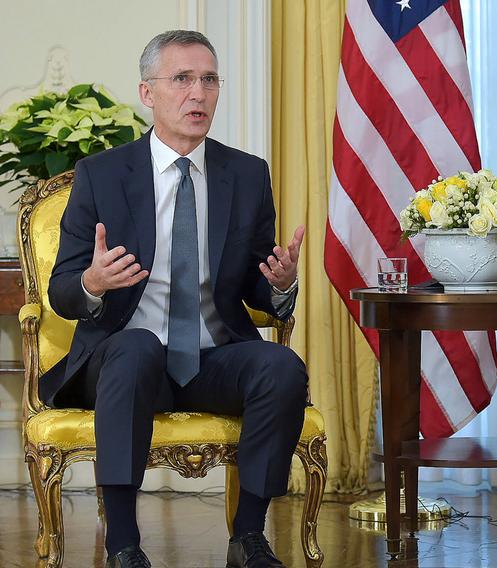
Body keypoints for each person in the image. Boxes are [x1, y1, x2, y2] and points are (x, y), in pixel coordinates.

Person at [44, 30, 308, 568]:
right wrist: (93, 282)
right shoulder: (103, 175)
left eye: (209, 80)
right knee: (138, 345)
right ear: (148, 93)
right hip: (124, 360)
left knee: (281, 366)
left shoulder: (247, 174)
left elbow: (254, 284)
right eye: (182, 79)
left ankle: (249, 537)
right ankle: (123, 543)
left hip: (212, 353)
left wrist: (279, 284)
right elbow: (62, 289)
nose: (198, 94)